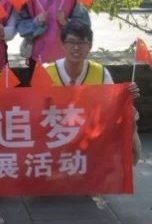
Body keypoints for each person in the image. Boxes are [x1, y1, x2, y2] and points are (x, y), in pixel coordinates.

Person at [44, 20, 142, 164]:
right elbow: (34, 111)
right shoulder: (46, 73)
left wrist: (125, 98)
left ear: (89, 46)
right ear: (62, 44)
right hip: (55, 139)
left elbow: (112, 107)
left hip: (89, 141)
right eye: (71, 42)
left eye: (82, 42)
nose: (76, 47)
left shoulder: (101, 73)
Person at [16, 0, 90, 81]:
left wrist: (67, 22)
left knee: (65, 94)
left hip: (67, 60)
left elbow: (85, 26)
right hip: (37, 58)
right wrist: (37, 22)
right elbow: (21, 27)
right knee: (40, 93)